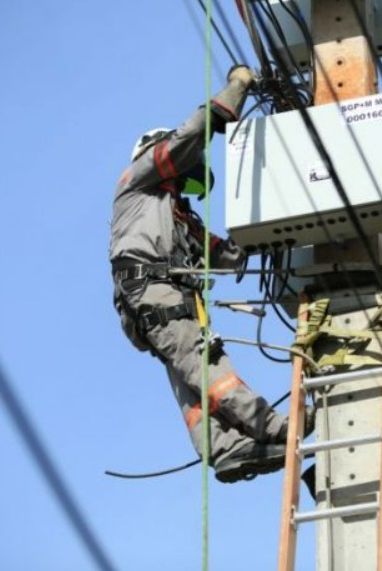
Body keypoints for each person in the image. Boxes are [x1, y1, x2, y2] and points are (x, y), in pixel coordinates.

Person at [109, 65, 310, 484]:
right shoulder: (138, 180)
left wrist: (280, 226)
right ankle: (273, 426)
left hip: (155, 299)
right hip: (155, 292)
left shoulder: (178, 218)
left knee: (191, 377)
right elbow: (191, 135)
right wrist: (237, 86)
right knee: (205, 361)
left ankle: (226, 448)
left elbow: (228, 254)